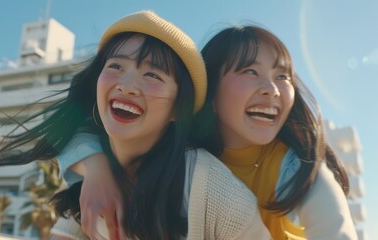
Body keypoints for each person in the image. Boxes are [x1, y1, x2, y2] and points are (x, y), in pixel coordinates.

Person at [0, 11, 271, 240]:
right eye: (116, 66)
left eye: (153, 75)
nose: (127, 85)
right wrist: (94, 170)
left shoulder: (214, 192)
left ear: (177, 109)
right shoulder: (93, 184)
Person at [58, 24, 358, 240]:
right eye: (250, 72)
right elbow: (83, 130)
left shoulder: (298, 168)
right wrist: (96, 169)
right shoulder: (180, 149)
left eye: (282, 76)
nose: (272, 90)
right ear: (209, 95)